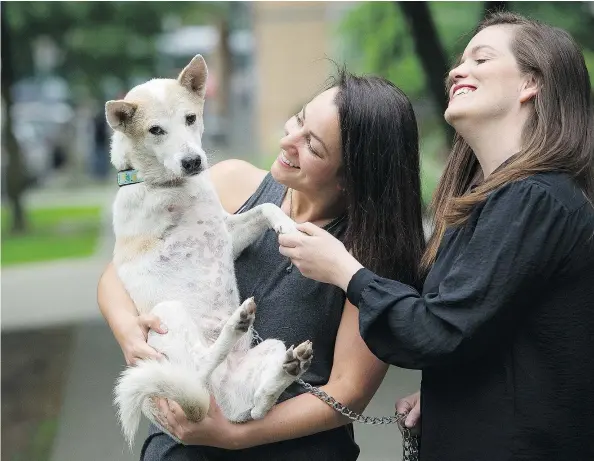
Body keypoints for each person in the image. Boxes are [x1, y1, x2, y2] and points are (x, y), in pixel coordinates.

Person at [278, 11, 594, 460]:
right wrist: (450, 393)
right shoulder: (502, 199)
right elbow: (492, 331)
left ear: (531, 84)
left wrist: (346, 271)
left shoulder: (535, 198)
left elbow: (437, 328)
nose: (456, 70)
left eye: (481, 59)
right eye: (460, 60)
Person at [97, 68, 427, 460]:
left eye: (313, 146)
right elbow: (122, 268)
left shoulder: (369, 257)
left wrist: (230, 436)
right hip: (182, 442)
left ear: (351, 176)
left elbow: (348, 392)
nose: (288, 141)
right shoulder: (230, 181)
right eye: (299, 120)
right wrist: (129, 335)